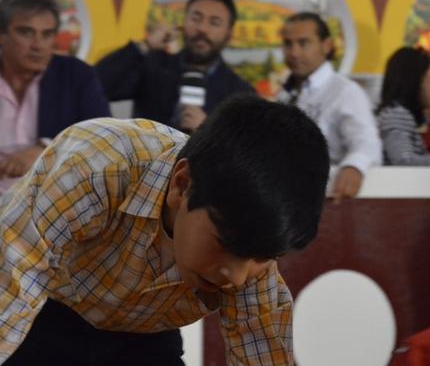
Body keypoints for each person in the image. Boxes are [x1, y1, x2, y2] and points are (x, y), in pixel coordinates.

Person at [0, 94, 329, 365]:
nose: (236, 277)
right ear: (182, 185)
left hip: (145, 338)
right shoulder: (96, 165)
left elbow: (261, 354)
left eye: (262, 258)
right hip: (44, 312)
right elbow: (12, 286)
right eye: (224, 243)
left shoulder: (253, 245)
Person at [96, 0, 253, 133]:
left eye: (214, 22)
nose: (202, 28)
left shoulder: (240, 93)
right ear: (184, 21)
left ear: (229, 34)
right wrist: (146, 44)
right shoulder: (153, 65)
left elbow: (245, 149)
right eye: (196, 18)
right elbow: (97, 86)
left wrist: (210, 131)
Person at [0, 0, 110, 191]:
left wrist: (46, 150)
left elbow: (103, 137)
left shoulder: (77, 75)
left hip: (53, 198)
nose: (38, 45)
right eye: (26, 32)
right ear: (2, 34)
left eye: (47, 34)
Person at [278, 12, 381, 200]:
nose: (294, 53)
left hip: (331, 198)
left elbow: (367, 143)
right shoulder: (284, 95)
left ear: (326, 45)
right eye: (288, 43)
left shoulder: (345, 91)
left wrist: (353, 167)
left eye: (303, 43)